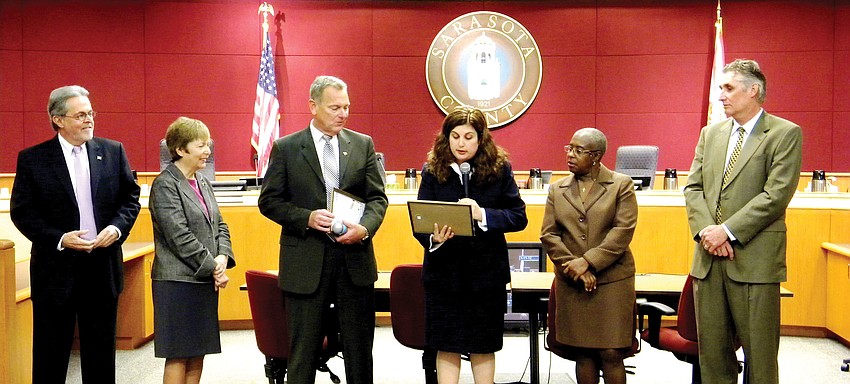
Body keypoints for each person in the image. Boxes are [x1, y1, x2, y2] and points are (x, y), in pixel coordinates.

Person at [258, 75, 388, 384]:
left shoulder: (362, 144)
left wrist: (365, 229)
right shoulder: (287, 148)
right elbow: (269, 201)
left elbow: (377, 198)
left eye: (346, 107)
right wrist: (306, 218)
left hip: (353, 261)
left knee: (359, 352)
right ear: (313, 107)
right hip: (305, 263)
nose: (343, 114)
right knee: (302, 353)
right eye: (335, 108)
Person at [10, 85, 141, 383]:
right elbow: (23, 212)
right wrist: (59, 238)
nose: (89, 120)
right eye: (80, 114)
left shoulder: (112, 151)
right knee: (50, 355)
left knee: (100, 356)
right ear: (58, 119)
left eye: (90, 113)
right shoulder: (33, 159)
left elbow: (130, 199)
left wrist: (116, 228)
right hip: (56, 270)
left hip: (102, 266)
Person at [684, 59, 802, 384]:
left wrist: (727, 232)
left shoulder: (785, 133)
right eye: (721, 88)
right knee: (714, 358)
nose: (721, 95)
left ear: (754, 90)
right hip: (708, 261)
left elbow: (775, 195)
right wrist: (709, 233)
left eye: (728, 88)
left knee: (760, 360)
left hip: (755, 261)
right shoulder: (711, 134)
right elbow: (693, 188)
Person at [414, 108, 527, 384]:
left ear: (481, 139)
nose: (461, 144)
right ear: (446, 138)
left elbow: (518, 216)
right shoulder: (432, 171)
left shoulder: (499, 170)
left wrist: (483, 215)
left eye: (468, 137)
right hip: (445, 275)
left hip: (485, 276)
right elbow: (420, 221)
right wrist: (434, 237)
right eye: (454, 136)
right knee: (446, 343)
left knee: (482, 344)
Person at [539, 128, 637, 384]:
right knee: (582, 353)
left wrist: (588, 261)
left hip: (612, 281)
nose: (569, 155)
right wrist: (575, 267)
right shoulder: (557, 189)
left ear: (595, 156)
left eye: (577, 150)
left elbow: (622, 231)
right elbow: (549, 235)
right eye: (568, 148)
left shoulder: (621, 185)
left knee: (611, 352)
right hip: (572, 282)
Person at [149, 117, 236, 384]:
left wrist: (222, 257)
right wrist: (214, 268)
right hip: (176, 283)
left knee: (198, 352)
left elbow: (219, 224)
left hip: (203, 282)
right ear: (181, 150)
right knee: (178, 354)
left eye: (208, 145)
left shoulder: (203, 182)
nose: (207, 151)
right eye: (201, 146)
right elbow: (179, 236)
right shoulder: (165, 185)